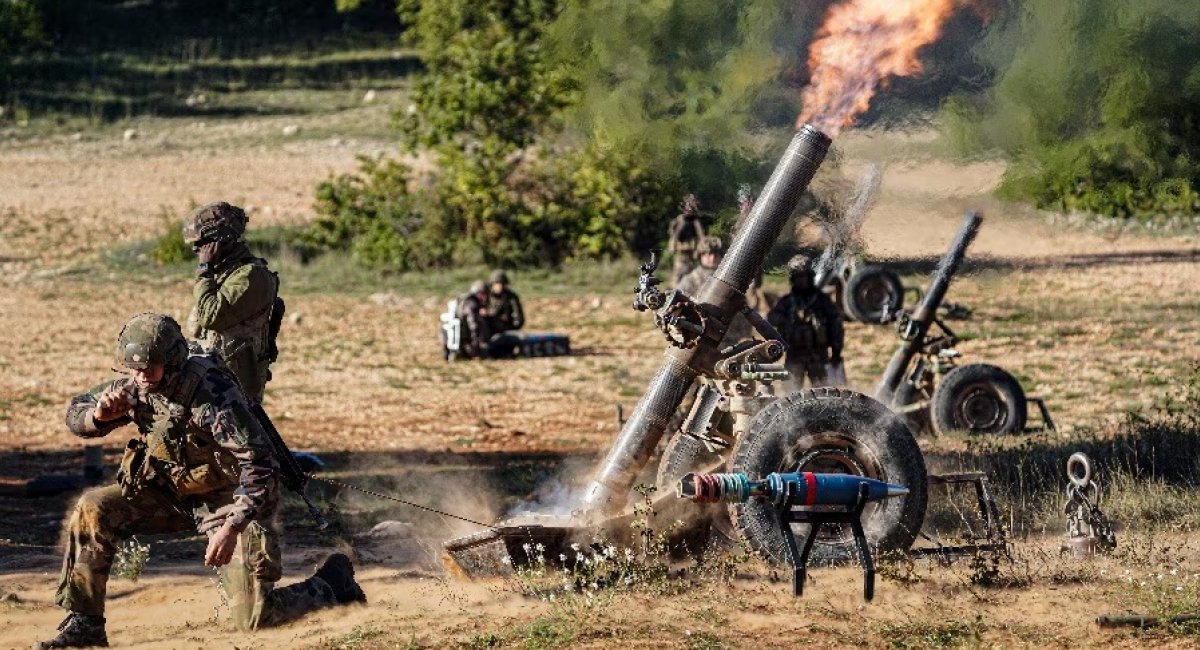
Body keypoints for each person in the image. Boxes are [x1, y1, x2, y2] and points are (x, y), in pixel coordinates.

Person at [36, 313, 364, 649]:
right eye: (134, 369)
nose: (141, 375)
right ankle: (87, 624)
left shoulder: (211, 394)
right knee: (95, 507)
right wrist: (99, 416)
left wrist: (232, 527)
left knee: (256, 618)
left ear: (172, 359)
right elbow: (76, 410)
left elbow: (259, 464)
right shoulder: (137, 383)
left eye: (150, 367)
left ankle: (332, 584)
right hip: (172, 494)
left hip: (230, 500)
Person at [183, 202, 281, 404]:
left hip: (233, 390)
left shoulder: (250, 276)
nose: (197, 249)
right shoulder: (223, 274)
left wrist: (204, 270)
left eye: (203, 243)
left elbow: (211, 316)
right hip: (210, 382)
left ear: (222, 240)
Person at [767, 254, 845, 388]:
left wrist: (836, 352)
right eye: (798, 277)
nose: (801, 281)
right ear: (793, 279)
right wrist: (788, 320)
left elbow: (836, 326)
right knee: (790, 394)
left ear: (810, 277)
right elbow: (771, 318)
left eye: (804, 276)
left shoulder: (821, 300)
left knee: (823, 394)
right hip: (794, 355)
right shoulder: (786, 302)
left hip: (818, 355)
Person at [667, 194, 706, 287]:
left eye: (693, 205)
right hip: (682, 256)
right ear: (684, 206)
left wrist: (700, 251)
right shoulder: (679, 221)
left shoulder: (696, 222)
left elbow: (702, 238)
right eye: (689, 204)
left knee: (698, 281)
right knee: (677, 281)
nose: (691, 207)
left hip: (694, 256)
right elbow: (673, 237)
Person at [457, 281, 492, 359]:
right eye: (484, 295)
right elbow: (474, 327)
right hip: (467, 346)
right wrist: (476, 350)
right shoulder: (472, 305)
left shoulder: (464, 302)